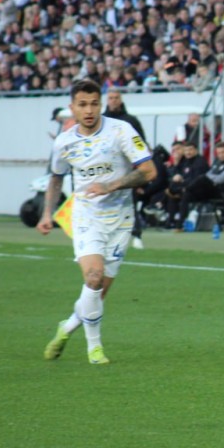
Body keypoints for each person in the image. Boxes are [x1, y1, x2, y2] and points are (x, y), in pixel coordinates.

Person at [39, 79, 157, 365]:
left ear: (101, 104)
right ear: (72, 108)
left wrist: (111, 185)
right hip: (85, 215)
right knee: (92, 278)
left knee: (98, 292)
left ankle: (67, 327)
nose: (89, 110)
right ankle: (95, 349)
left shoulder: (121, 131)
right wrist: (46, 213)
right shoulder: (64, 142)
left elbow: (149, 171)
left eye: (94, 104)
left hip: (120, 219)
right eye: (82, 104)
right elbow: (56, 178)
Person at [103, 89, 148, 249]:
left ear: (121, 99)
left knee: (130, 202)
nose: (114, 100)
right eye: (111, 98)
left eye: (116, 97)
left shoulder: (131, 121)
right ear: (107, 100)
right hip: (106, 169)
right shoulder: (101, 121)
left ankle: (136, 234)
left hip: (127, 169)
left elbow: (141, 144)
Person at [175, 142, 224, 230]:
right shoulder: (217, 161)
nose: (221, 155)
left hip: (220, 192)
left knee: (201, 178)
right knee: (186, 195)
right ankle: (179, 225)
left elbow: (220, 179)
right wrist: (210, 177)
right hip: (209, 190)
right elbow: (209, 174)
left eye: (223, 152)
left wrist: (210, 177)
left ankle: (183, 189)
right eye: (219, 153)